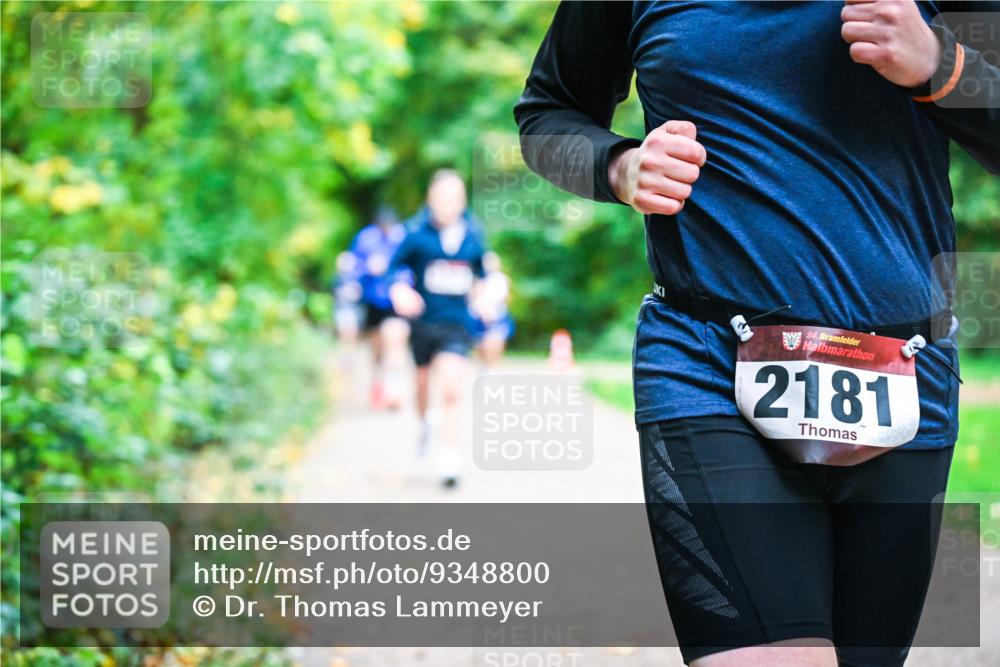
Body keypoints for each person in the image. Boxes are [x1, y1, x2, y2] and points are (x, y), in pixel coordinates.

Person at [516, 2, 998, 666]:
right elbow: (548, 114)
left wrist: (942, 68)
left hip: (903, 371)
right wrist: (620, 167)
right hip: (706, 359)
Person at [388, 169, 487, 488]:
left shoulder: (473, 235)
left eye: (456, 198)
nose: (449, 204)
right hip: (423, 324)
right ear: (431, 199)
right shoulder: (416, 235)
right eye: (443, 198)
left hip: (456, 325)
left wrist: (486, 295)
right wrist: (400, 290)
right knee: (421, 387)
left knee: (451, 389)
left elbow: (483, 274)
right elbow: (392, 270)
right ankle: (426, 423)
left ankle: (449, 457)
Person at [346, 206, 410, 409]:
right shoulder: (365, 238)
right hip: (372, 300)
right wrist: (367, 268)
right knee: (377, 348)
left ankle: (394, 389)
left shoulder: (404, 238)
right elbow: (352, 265)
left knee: (395, 341)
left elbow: (412, 266)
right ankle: (378, 383)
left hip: (396, 301)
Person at [469, 251, 515, 368]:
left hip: (496, 316)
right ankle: (484, 368)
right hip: (477, 316)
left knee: (495, 342)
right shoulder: (475, 278)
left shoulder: (501, 279)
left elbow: (504, 298)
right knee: (479, 346)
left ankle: (492, 369)